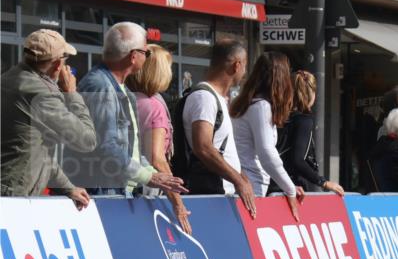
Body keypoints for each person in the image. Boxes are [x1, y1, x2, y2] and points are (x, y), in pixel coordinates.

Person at [63, 22, 186, 198]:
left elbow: (131, 148)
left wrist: (153, 173)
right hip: (103, 192)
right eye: (146, 52)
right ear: (134, 56)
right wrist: (149, 176)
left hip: (117, 189)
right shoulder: (101, 86)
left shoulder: (122, 90)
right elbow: (106, 147)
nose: (148, 57)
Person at [0, 29, 95, 209]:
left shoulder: (7, 79)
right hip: (15, 197)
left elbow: (35, 149)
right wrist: (71, 93)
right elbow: (87, 140)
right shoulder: (42, 93)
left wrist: (68, 187)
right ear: (57, 64)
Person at [175, 40, 256, 218]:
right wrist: (237, 180)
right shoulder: (204, 97)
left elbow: (220, 146)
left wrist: (240, 176)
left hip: (221, 193)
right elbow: (203, 147)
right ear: (237, 65)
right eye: (245, 67)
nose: (244, 73)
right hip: (209, 194)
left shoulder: (216, 98)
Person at [125, 44, 191, 233]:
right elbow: (157, 159)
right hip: (146, 191)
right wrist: (177, 203)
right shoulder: (154, 107)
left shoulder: (126, 99)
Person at [231, 51, 304, 221]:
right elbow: (267, 154)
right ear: (280, 78)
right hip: (252, 186)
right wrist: (290, 189)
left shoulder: (246, 103)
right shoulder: (261, 107)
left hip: (245, 183)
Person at [273, 71, 345, 195]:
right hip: (292, 187)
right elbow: (298, 160)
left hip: (272, 183)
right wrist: (323, 182)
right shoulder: (303, 121)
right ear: (311, 94)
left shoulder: (278, 117)